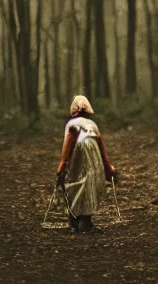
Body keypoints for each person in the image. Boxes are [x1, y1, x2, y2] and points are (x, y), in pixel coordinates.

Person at [55, 95, 117, 233]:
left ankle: (75, 219)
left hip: (78, 153)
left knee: (74, 182)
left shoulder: (71, 124)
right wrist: (108, 166)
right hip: (93, 153)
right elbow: (102, 147)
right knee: (91, 183)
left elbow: (67, 146)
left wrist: (61, 166)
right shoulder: (92, 125)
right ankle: (85, 219)